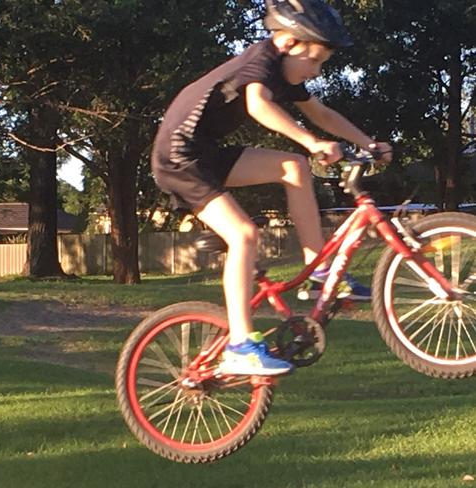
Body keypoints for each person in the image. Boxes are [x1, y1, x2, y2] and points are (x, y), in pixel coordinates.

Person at [150, 0, 393, 376]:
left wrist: (367, 142)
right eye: (314, 61)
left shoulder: (282, 70)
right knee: (244, 235)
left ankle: (320, 272)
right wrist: (312, 143)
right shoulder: (261, 61)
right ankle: (240, 347)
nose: (316, 70)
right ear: (290, 43)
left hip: (205, 155)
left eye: (321, 64)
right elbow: (259, 106)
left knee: (294, 168)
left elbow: (321, 113)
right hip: (179, 159)